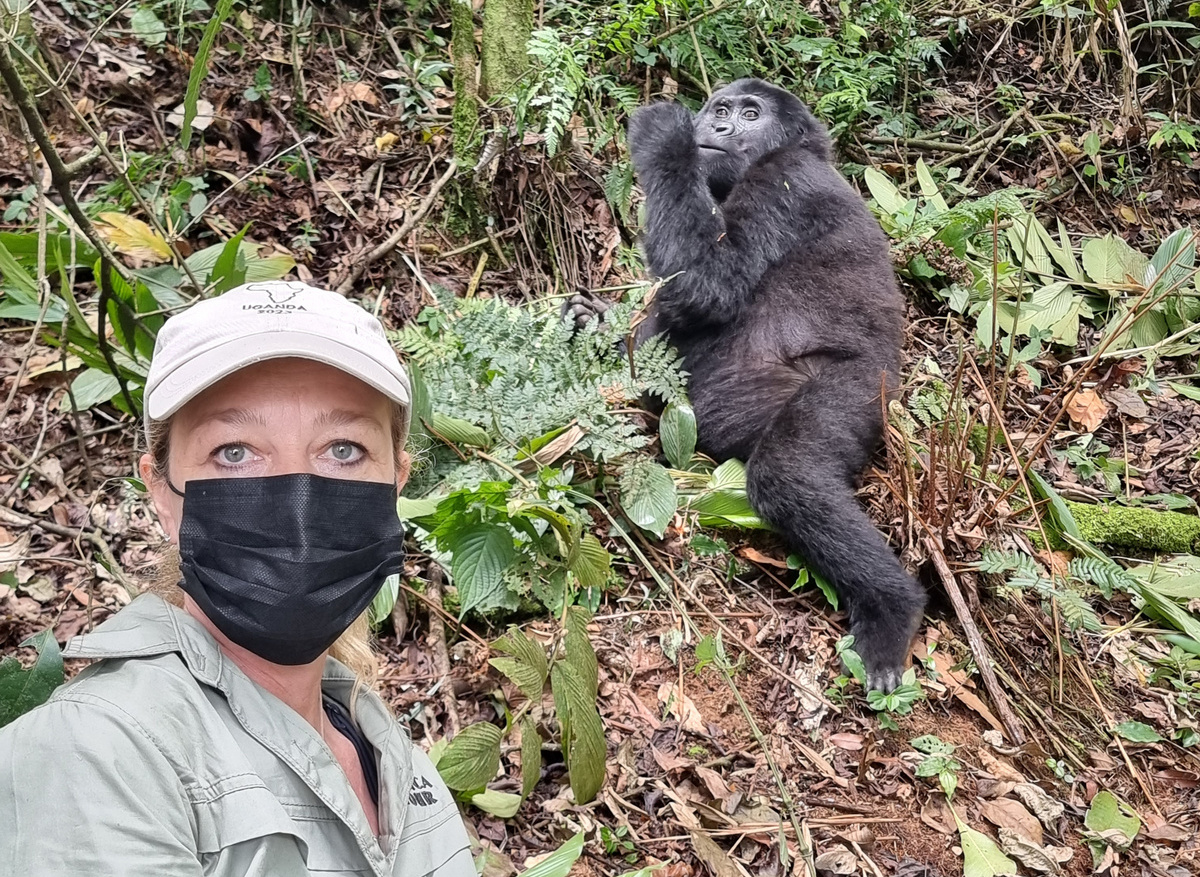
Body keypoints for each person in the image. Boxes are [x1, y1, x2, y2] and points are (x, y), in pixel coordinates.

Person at [0, 280, 475, 877]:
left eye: (344, 449)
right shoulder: (96, 751)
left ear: (396, 479)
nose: (298, 502)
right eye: (234, 452)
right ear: (162, 493)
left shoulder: (393, 755)